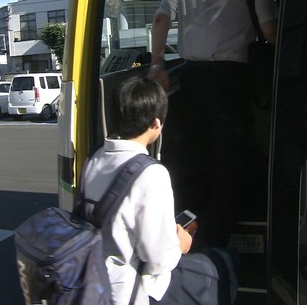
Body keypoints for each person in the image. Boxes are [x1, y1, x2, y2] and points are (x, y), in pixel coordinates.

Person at [149, 0, 278, 247]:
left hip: (192, 79)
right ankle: (216, 243)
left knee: (196, 159)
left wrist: (157, 64)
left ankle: (187, 235)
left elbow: (160, 20)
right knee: (229, 162)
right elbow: (270, 32)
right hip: (231, 81)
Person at [80, 77, 237, 304]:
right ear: (156, 124)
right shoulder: (151, 173)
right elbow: (159, 260)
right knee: (223, 263)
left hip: (93, 280)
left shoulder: (94, 158)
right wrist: (181, 243)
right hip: (131, 291)